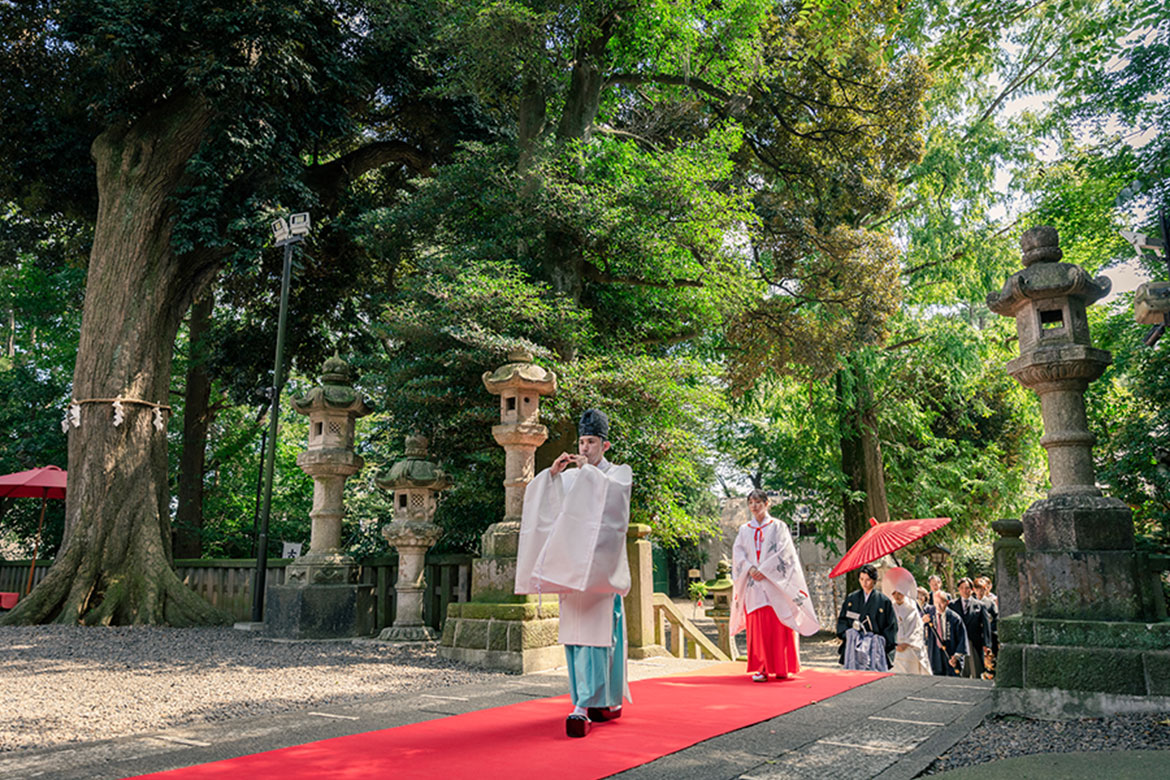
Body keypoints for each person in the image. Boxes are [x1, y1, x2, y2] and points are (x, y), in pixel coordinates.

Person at [514, 409, 632, 738]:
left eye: (591, 442)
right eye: (581, 442)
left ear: (605, 445)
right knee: (575, 640)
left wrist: (588, 475)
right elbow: (547, 512)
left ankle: (596, 704)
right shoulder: (571, 476)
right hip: (572, 572)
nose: (584, 449)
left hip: (598, 575)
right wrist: (551, 476)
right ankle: (582, 702)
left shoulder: (618, 475)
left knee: (597, 640)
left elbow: (614, 509)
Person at [730, 490, 820, 681]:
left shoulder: (779, 526)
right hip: (754, 584)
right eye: (751, 502)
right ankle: (762, 668)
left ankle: (782, 667)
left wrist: (765, 570)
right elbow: (738, 554)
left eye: (758, 502)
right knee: (759, 626)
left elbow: (785, 553)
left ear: (767, 503)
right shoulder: (744, 529)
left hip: (775, 583)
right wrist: (750, 568)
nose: (754, 506)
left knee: (780, 623)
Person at [835, 563, 897, 669]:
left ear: (874, 580)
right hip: (853, 644)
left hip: (874, 646)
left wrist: (882, 641)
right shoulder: (852, 598)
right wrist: (848, 634)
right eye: (861, 579)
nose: (864, 583)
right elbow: (843, 620)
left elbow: (891, 625)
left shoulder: (883, 601)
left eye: (867, 579)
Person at [884, 567, 931, 675]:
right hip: (894, 650)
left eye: (900, 593)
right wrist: (895, 644)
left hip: (910, 649)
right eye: (894, 593)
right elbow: (887, 628)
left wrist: (907, 643)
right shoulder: (890, 608)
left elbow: (917, 629)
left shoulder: (912, 608)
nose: (897, 596)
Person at [948, 577, 992, 679]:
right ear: (958, 589)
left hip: (974, 641)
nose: (965, 590)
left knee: (976, 670)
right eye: (962, 588)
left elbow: (986, 627)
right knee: (961, 671)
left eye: (967, 588)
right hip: (959, 642)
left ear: (972, 589)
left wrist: (987, 644)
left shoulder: (980, 605)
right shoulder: (952, 605)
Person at [923, 589, 966, 676]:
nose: (938, 606)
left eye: (941, 603)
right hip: (935, 651)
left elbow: (962, 639)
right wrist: (922, 622)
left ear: (947, 602)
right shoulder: (929, 615)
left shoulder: (954, 618)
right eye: (936, 603)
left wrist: (956, 656)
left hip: (950, 651)